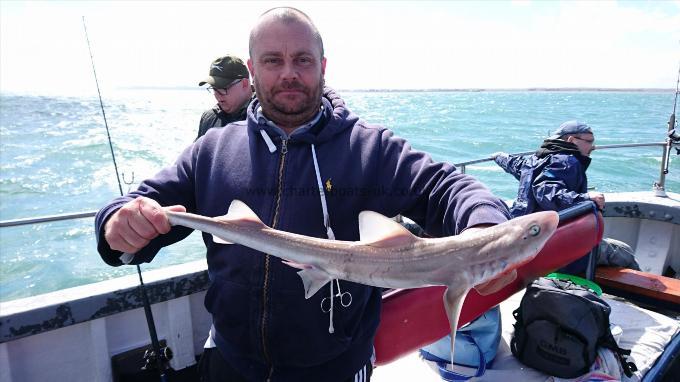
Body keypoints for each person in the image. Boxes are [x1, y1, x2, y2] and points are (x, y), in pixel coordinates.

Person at [95, 7, 512, 382]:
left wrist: (486, 232)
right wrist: (117, 223)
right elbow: (142, 203)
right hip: (230, 358)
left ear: (323, 66)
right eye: (273, 61)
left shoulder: (370, 150)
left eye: (302, 60)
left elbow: (447, 187)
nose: (288, 73)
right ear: (252, 69)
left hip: (335, 365)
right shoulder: (214, 150)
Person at [493, 120, 639, 273]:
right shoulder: (567, 161)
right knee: (624, 252)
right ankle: (641, 296)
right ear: (571, 140)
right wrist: (586, 198)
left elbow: (512, 163)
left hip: (525, 241)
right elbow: (545, 192)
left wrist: (498, 156)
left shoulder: (531, 161)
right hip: (553, 245)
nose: (593, 147)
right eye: (589, 142)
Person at [196, 54, 254, 140]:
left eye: (223, 88)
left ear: (244, 84)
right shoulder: (208, 119)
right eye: (214, 88)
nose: (218, 94)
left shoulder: (267, 115)